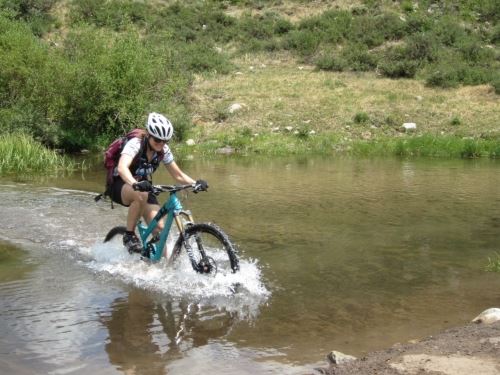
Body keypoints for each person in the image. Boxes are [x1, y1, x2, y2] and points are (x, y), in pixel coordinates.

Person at [109, 112, 208, 253]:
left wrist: (195, 183)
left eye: (165, 141)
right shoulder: (135, 144)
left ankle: (162, 266)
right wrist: (134, 183)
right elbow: (122, 168)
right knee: (141, 194)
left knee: (160, 230)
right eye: (157, 140)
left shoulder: (163, 150)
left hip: (143, 187)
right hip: (120, 185)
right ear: (149, 134)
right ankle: (129, 235)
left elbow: (178, 175)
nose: (161, 144)